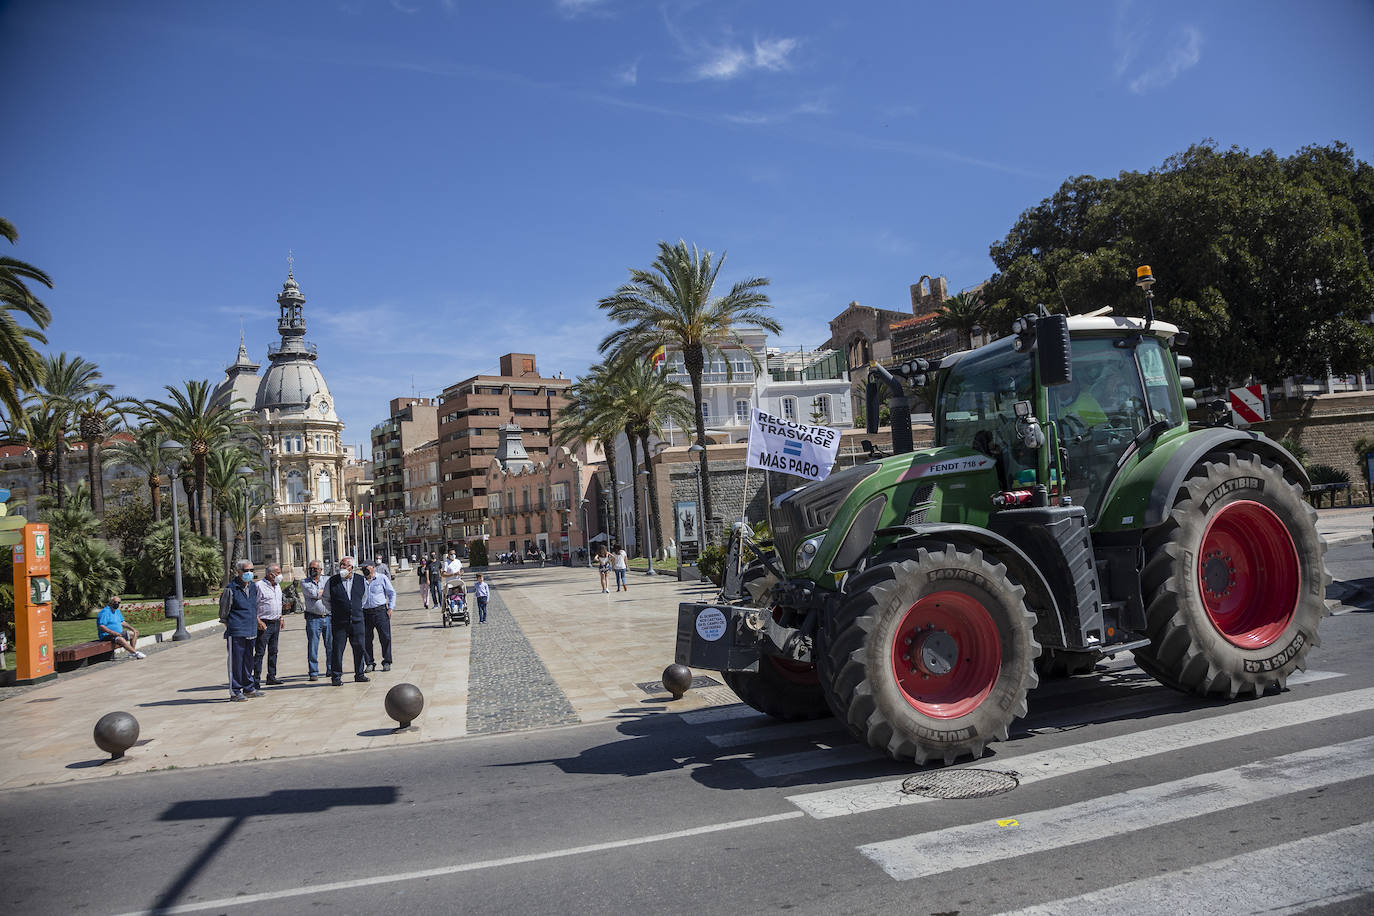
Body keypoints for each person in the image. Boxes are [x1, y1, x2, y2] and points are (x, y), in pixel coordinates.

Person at [219, 560, 262, 701]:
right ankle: (235, 691)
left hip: (251, 630)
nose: (249, 573)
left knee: (248, 661)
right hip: (237, 631)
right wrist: (232, 626)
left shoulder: (253, 587)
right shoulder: (231, 588)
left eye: (251, 570)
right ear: (239, 572)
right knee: (236, 662)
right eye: (246, 570)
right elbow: (224, 612)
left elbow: (254, 607)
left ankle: (248, 688)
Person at [326, 556, 369, 685]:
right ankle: (336, 677)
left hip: (357, 621)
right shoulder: (332, 581)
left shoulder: (361, 580)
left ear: (352, 567)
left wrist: (354, 609)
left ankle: (359, 674)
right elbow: (326, 599)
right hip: (339, 622)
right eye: (341, 564)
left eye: (344, 565)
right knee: (337, 649)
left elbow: (364, 598)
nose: (342, 567)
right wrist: (337, 610)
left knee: (359, 647)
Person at [253, 563, 285, 688]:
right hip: (264, 623)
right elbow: (253, 605)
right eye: (278, 573)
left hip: (275, 622)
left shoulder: (277, 586)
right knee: (260, 652)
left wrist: (281, 617)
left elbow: (279, 603)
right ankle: (255, 679)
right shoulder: (259, 586)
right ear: (270, 574)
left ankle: (271, 676)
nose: (280, 575)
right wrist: (258, 621)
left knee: (274, 651)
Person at [301, 560, 333, 682]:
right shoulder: (304, 582)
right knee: (313, 646)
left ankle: (331, 669)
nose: (313, 570)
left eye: (315, 568)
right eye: (311, 568)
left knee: (330, 645)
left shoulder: (328, 580)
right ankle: (313, 672)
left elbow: (330, 593)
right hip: (313, 618)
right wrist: (324, 593)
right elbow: (314, 594)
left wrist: (322, 593)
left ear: (320, 570)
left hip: (328, 617)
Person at [361, 562, 397, 672]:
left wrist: (390, 608)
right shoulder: (361, 581)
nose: (364, 569)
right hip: (365, 612)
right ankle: (369, 663)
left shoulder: (382, 578)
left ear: (373, 567)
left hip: (380, 611)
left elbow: (391, 593)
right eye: (363, 567)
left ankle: (387, 661)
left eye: (366, 566)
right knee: (366, 639)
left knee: (385, 637)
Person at [95, 595, 145, 659]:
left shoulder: (117, 611)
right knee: (121, 639)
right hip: (106, 635)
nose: (117, 604)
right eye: (115, 602)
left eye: (118, 602)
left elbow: (122, 622)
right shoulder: (105, 612)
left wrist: (133, 629)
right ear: (110, 602)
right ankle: (136, 653)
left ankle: (132, 653)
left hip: (118, 633)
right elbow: (101, 626)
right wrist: (113, 633)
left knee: (133, 633)